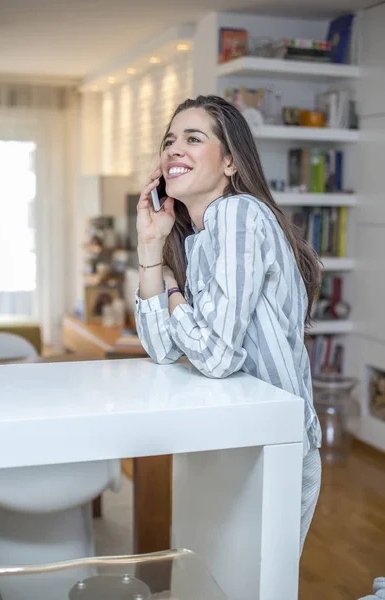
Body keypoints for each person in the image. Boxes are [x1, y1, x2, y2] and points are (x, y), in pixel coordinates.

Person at [135, 94, 322, 553]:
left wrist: (173, 292)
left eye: (193, 138)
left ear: (231, 162)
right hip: (232, 431)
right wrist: (150, 248)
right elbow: (162, 349)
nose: (174, 149)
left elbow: (215, 356)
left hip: (271, 440)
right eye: (169, 140)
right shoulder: (202, 238)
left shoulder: (239, 214)